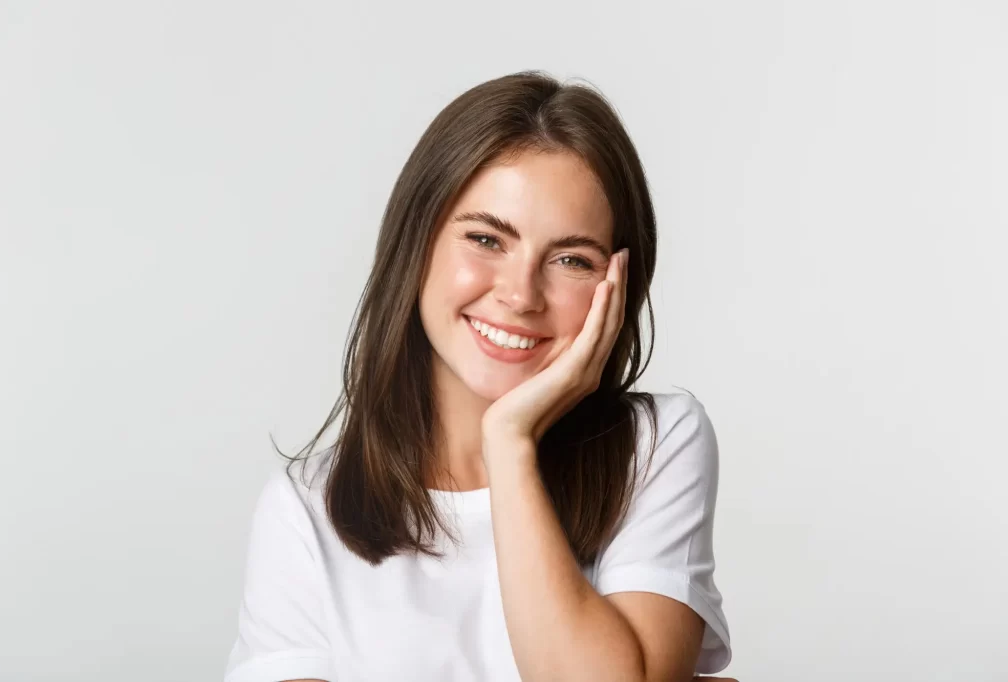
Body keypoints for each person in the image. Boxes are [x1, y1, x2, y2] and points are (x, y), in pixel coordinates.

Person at [224, 71, 734, 682]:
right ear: (417, 244)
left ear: (617, 288)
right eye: (487, 239)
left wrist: (509, 444)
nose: (521, 295)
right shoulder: (307, 509)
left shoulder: (657, 447)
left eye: (572, 259)